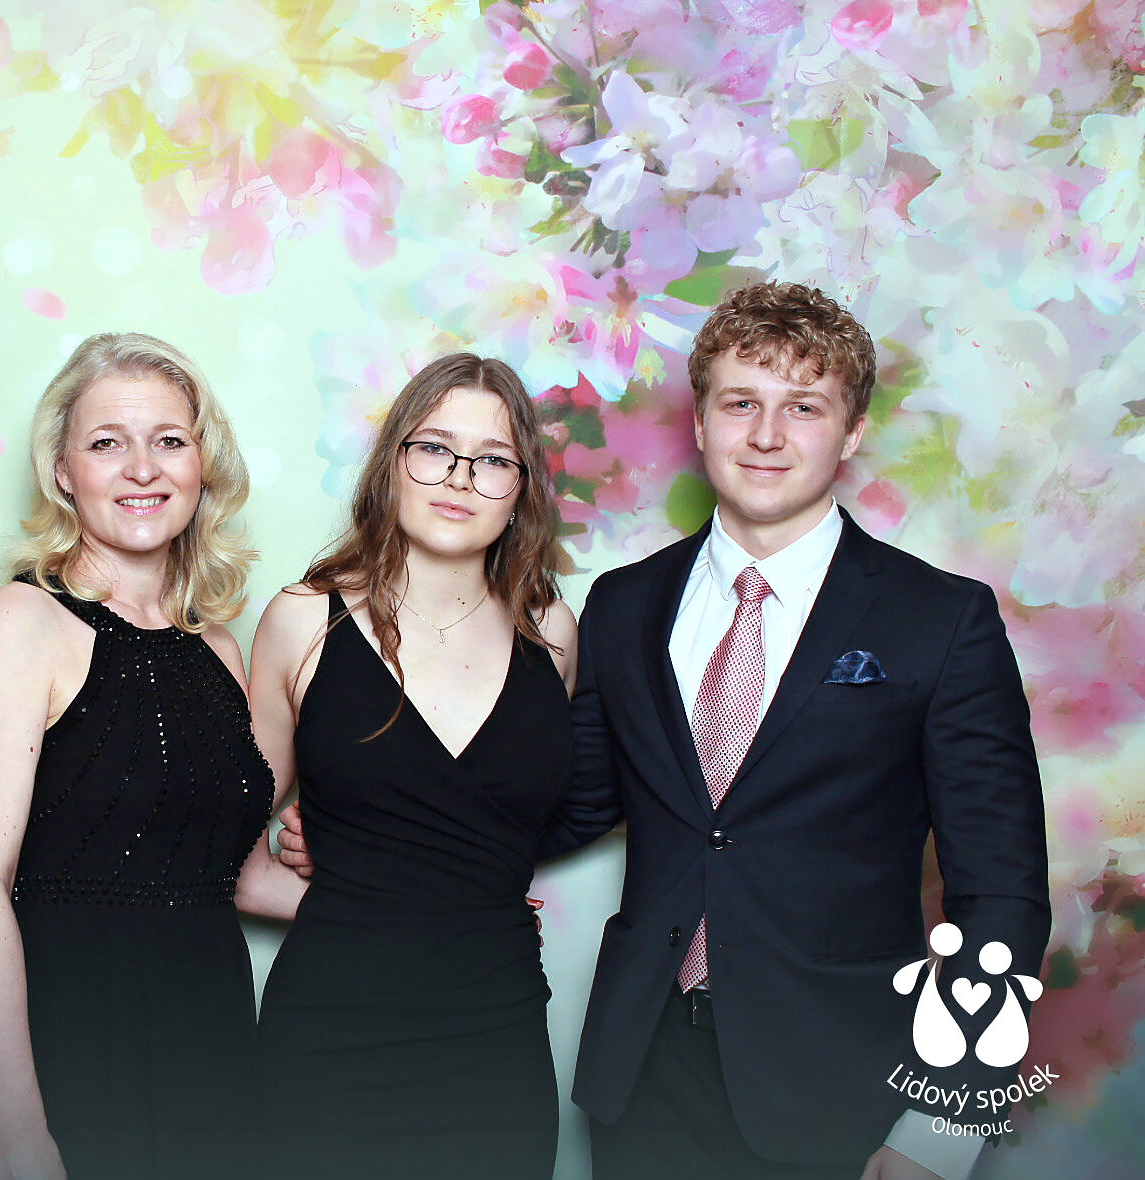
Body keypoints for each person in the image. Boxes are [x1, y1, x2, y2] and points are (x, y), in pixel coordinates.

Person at [283, 282, 1049, 1180]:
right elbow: (568, 801)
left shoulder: (941, 620)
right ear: (701, 422)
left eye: (804, 407)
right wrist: (377, 833)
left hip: (845, 1086)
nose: (767, 435)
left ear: (850, 433)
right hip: (645, 1079)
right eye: (741, 403)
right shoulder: (624, 605)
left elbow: (1001, 890)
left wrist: (944, 1130)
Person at [0, 332, 274, 1180]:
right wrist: (17, 1130)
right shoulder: (19, 624)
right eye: (106, 444)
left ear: (203, 464)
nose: (142, 469)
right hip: (71, 1050)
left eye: (169, 441)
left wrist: (431, 907)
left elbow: (228, 873)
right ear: (62, 471)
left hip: (211, 1047)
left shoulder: (219, 651)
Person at [242, 353, 579, 1179]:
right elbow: (233, 858)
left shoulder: (551, 632)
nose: (459, 477)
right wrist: (369, 906)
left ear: (521, 489)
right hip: (329, 1041)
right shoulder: (303, 620)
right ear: (391, 461)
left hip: (496, 1044)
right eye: (434, 448)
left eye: (493, 459)